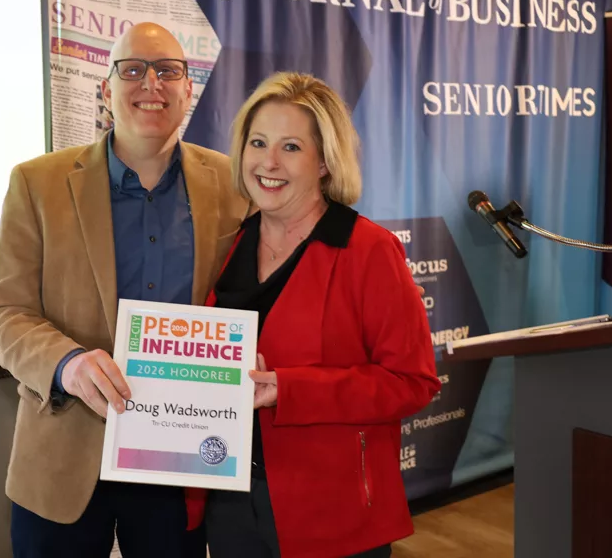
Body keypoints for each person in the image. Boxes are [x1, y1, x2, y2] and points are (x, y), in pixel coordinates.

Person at [0, 22, 249, 557]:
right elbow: (2, 315)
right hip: (64, 455)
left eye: (168, 70)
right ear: (106, 88)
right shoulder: (38, 183)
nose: (151, 83)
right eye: (132, 69)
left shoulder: (233, 184)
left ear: (188, 89)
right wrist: (67, 364)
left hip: (184, 457)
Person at [185, 72, 442, 558]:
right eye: (258, 142)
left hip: (331, 509)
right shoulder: (230, 242)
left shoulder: (369, 249)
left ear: (324, 162)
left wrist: (292, 389)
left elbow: (413, 382)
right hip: (232, 499)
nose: (269, 162)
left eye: (291, 147)